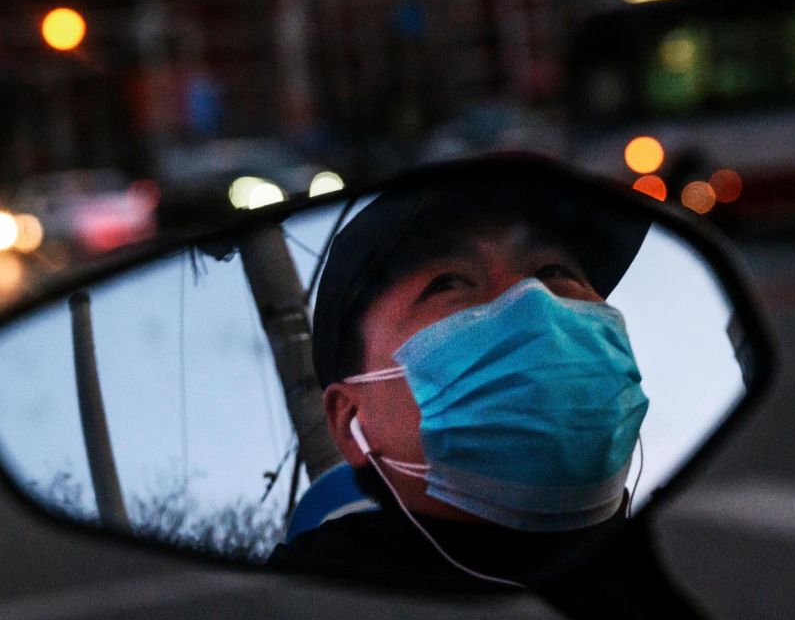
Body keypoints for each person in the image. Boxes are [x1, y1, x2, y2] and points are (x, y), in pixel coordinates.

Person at [268, 179, 651, 590]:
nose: (534, 301)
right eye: (448, 283)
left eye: (555, 271)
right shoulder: (293, 615)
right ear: (351, 420)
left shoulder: (697, 557)